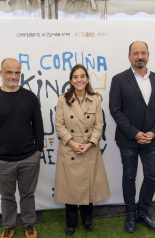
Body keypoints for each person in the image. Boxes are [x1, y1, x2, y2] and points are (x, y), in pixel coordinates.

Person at [0, 58, 44, 238]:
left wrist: (39, 150)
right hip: (1, 160)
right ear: (1, 73)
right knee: (7, 197)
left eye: (17, 72)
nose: (13, 76)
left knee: (28, 194)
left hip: (29, 158)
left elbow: (38, 125)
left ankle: (29, 224)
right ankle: (9, 226)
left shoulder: (29, 97)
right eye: (9, 72)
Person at [109, 41, 155, 233]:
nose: (139, 56)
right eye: (136, 53)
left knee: (152, 176)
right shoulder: (119, 79)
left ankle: (143, 214)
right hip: (128, 140)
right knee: (129, 176)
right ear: (129, 56)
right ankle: (130, 216)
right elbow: (115, 110)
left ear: (148, 55)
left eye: (143, 53)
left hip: (152, 140)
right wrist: (134, 133)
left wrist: (153, 133)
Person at [54, 64, 111, 236]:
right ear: (71, 80)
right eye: (75, 77)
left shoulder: (95, 99)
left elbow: (99, 126)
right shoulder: (62, 99)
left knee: (88, 186)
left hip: (89, 149)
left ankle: (88, 220)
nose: (79, 80)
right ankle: (71, 223)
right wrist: (72, 143)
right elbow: (59, 125)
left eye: (82, 76)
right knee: (70, 188)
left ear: (87, 79)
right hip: (69, 149)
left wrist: (88, 144)